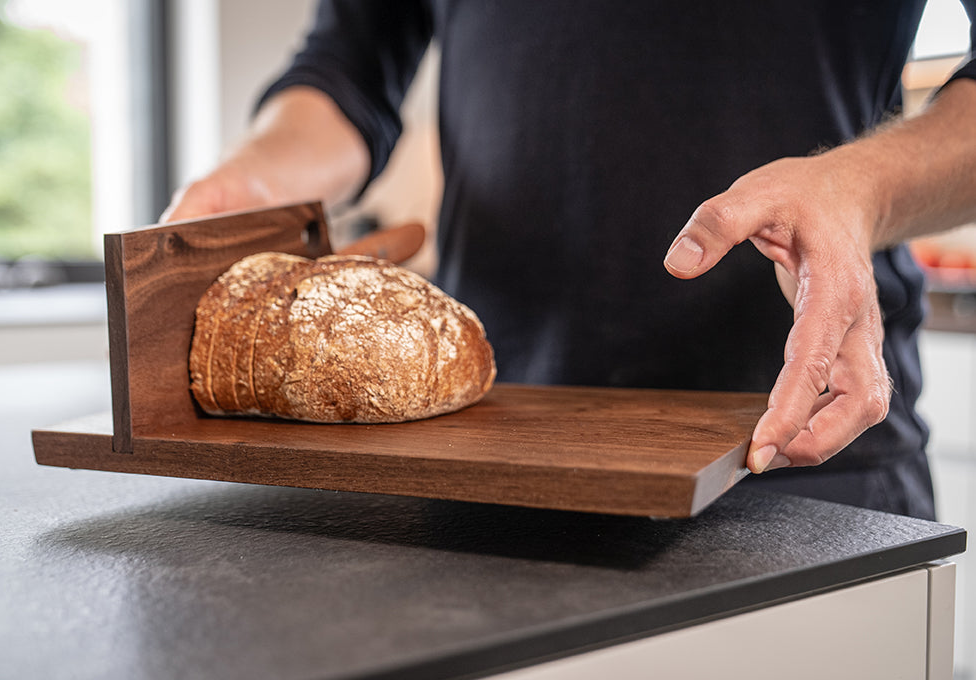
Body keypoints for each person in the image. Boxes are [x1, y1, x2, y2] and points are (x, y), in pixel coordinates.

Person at [162, 2, 976, 520]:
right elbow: (349, 66)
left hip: (796, 453)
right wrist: (257, 179)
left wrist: (856, 187)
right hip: (480, 450)